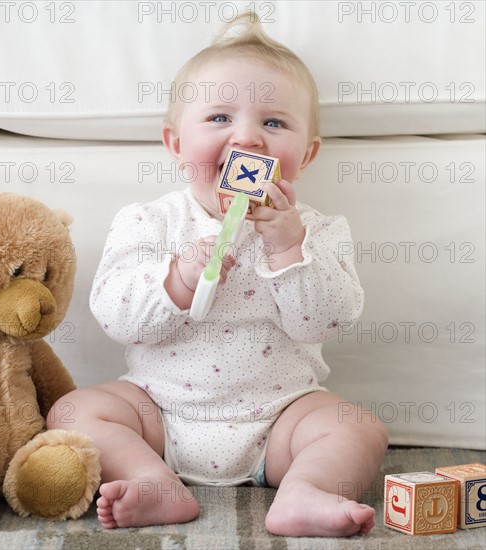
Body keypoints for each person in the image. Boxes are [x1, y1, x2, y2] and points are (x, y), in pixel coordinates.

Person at [47, 13, 388, 537]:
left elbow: (325, 322)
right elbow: (118, 317)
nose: (247, 137)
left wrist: (287, 248)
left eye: (274, 123)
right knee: (72, 411)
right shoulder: (149, 222)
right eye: (219, 118)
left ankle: (304, 491)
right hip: (157, 414)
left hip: (278, 418)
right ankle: (151, 482)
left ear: (307, 155)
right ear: (176, 144)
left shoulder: (319, 232)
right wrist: (178, 278)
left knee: (358, 428)